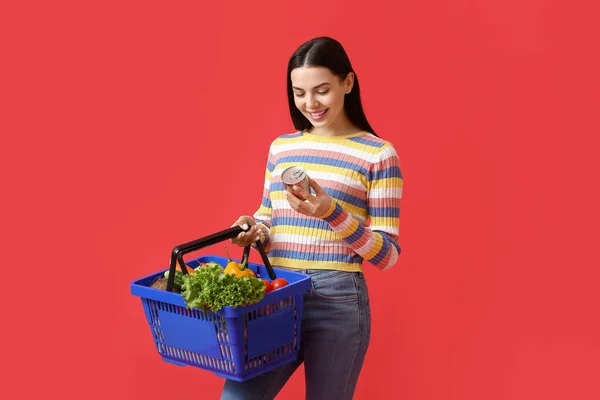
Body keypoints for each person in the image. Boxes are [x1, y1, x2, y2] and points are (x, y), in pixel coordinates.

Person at [221, 36, 403, 400]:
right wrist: (253, 230)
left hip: (337, 301)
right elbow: (268, 218)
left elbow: (387, 255)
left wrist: (332, 213)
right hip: (276, 293)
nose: (309, 104)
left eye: (321, 90)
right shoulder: (282, 147)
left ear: (347, 83)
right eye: (299, 93)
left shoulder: (378, 155)